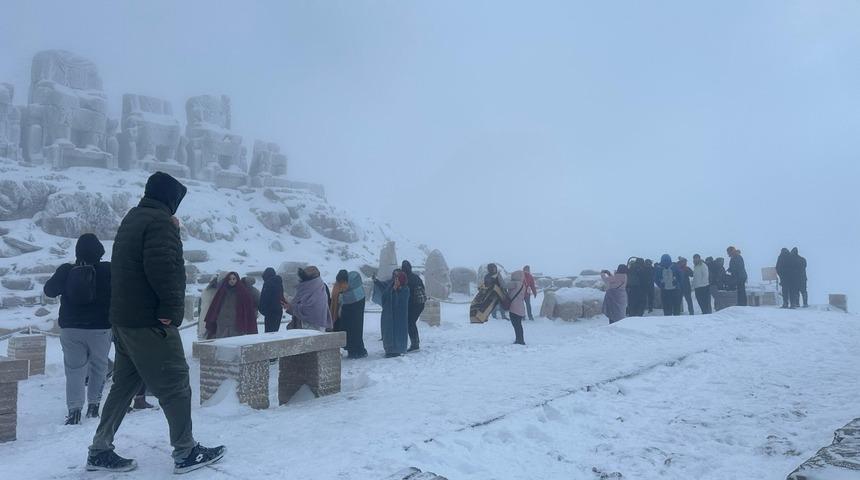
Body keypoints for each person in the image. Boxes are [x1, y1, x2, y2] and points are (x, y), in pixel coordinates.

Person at [87, 172, 224, 474]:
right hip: (149, 320)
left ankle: (99, 449)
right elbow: (165, 269)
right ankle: (186, 452)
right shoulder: (159, 222)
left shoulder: (134, 218)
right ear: (169, 198)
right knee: (175, 383)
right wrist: (170, 311)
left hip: (125, 319)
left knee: (124, 386)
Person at [44, 233, 112, 425]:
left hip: (71, 328)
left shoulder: (67, 270)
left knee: (74, 370)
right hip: (101, 328)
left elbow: (49, 291)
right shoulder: (108, 269)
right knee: (99, 368)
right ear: (100, 251)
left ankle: (74, 411)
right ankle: (94, 407)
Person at [203, 272, 259, 339]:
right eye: (229, 279)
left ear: (237, 280)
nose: (231, 281)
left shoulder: (243, 293)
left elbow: (248, 309)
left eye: (233, 279)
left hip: (237, 325)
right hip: (222, 325)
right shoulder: (222, 292)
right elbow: (215, 307)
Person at [331, 270, 368, 358]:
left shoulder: (354, 281)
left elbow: (356, 296)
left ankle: (358, 351)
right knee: (347, 328)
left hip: (357, 305)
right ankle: (351, 349)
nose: (341, 286)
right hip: (347, 308)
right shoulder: (339, 285)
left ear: (346, 280)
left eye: (343, 283)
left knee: (356, 328)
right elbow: (336, 298)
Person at [373, 269, 410, 357]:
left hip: (398, 318)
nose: (396, 281)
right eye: (395, 279)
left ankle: (396, 350)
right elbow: (385, 295)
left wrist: (395, 291)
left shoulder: (405, 290)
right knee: (388, 332)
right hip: (388, 315)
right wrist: (392, 290)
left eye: (397, 279)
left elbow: (398, 303)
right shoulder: (391, 286)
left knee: (397, 333)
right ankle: (389, 350)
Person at [283, 266, 333, 332]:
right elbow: (300, 302)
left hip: (313, 329)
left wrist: (291, 307)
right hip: (302, 327)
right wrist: (289, 302)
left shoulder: (317, 291)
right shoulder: (310, 288)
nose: (302, 280)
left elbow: (310, 310)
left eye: (304, 278)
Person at [401, 260, 426, 351]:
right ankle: (415, 343)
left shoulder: (406, 278)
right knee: (411, 323)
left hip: (414, 304)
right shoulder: (416, 277)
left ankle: (415, 344)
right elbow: (423, 288)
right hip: (420, 303)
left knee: (410, 323)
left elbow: (407, 293)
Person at [259, 267, 285, 332]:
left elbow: (264, 298)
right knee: (275, 332)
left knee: (269, 333)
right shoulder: (279, 283)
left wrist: (262, 310)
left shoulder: (267, 284)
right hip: (278, 311)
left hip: (270, 312)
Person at [507, 270, 527, 344]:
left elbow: (504, 285)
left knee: (516, 325)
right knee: (518, 325)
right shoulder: (522, 284)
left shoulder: (515, 283)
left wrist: (499, 276)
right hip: (520, 308)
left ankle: (520, 340)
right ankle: (520, 339)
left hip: (514, 308)